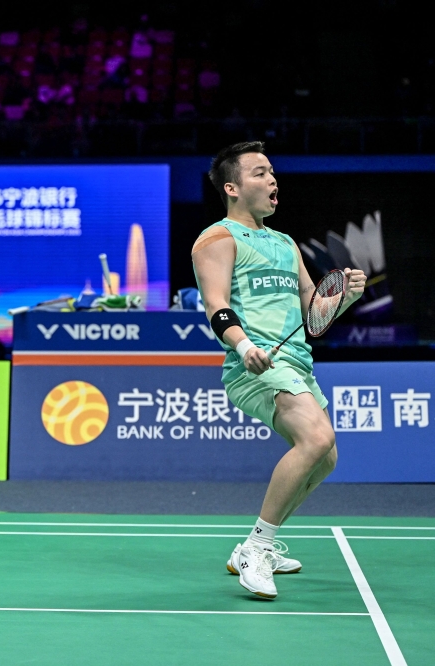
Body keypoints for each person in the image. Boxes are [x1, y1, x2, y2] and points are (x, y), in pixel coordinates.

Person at [191, 141, 366, 599]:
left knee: (326, 458)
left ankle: (256, 547)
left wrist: (345, 297)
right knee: (317, 438)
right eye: (260, 173)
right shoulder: (217, 239)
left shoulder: (286, 243)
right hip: (254, 363)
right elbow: (216, 305)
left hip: (297, 363)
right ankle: (257, 547)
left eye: (272, 172)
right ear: (232, 188)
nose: (272, 179)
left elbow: (314, 310)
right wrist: (244, 345)